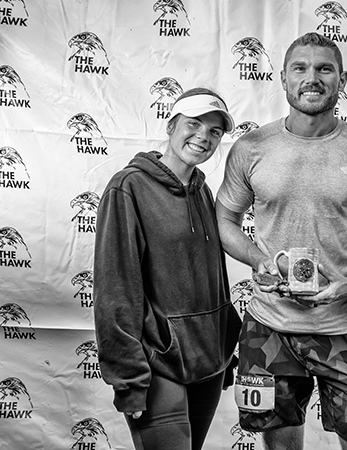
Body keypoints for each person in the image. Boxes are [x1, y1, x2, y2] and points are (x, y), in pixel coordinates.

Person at [216, 32, 347, 450]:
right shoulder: (251, 147)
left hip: (345, 326)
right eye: (300, 67)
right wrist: (259, 260)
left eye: (324, 68)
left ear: (342, 80)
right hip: (269, 326)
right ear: (282, 78)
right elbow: (225, 218)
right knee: (277, 443)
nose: (311, 78)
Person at [93, 88, 242, 450]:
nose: (203, 137)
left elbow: (213, 278)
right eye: (194, 124)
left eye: (215, 131)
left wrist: (222, 346)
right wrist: (128, 376)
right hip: (158, 364)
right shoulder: (128, 187)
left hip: (207, 362)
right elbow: (116, 287)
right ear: (171, 125)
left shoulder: (203, 191)